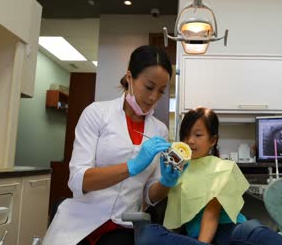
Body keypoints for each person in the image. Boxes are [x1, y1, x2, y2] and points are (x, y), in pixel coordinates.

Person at [43, 45, 184, 245]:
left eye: (161, 91)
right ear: (130, 78)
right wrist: (131, 167)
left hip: (124, 225)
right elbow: (78, 179)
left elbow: (149, 195)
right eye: (149, 87)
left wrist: (166, 184)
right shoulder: (97, 114)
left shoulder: (159, 131)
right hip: (80, 221)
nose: (154, 98)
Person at [138, 107, 282, 245]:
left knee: (257, 234)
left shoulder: (223, 167)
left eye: (198, 135)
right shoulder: (177, 170)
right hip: (194, 238)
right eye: (185, 135)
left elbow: (212, 212)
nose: (190, 141)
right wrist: (166, 181)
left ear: (212, 140)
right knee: (149, 234)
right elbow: (174, 217)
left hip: (230, 232)